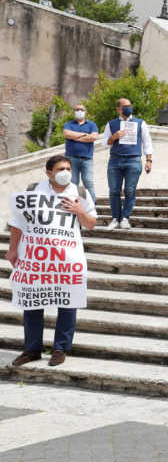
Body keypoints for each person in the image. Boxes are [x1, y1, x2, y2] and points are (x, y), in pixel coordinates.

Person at [6, 155, 98, 367]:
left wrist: (79, 211)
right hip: (36, 258)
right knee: (32, 301)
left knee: (68, 301)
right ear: (49, 173)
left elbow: (91, 223)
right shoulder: (33, 191)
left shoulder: (80, 192)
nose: (65, 172)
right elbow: (17, 223)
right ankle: (32, 349)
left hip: (66, 258)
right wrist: (12, 250)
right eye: (60, 169)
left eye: (68, 168)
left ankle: (60, 348)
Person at [104, 98, 154, 229]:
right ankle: (115, 218)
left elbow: (147, 142)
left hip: (134, 160)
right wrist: (114, 137)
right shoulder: (111, 124)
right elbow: (105, 143)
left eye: (130, 106)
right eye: (125, 106)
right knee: (114, 190)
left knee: (130, 191)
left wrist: (149, 160)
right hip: (115, 160)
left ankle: (125, 218)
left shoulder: (140, 123)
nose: (128, 108)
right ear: (118, 109)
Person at [62, 102, 100, 201]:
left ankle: (92, 206)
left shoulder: (92, 124)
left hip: (87, 159)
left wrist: (75, 137)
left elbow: (94, 137)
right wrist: (85, 135)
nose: (79, 111)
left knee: (88, 182)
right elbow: (67, 134)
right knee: (72, 183)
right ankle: (72, 206)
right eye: (77, 109)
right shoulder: (68, 124)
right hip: (71, 158)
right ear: (73, 112)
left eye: (82, 110)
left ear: (85, 112)